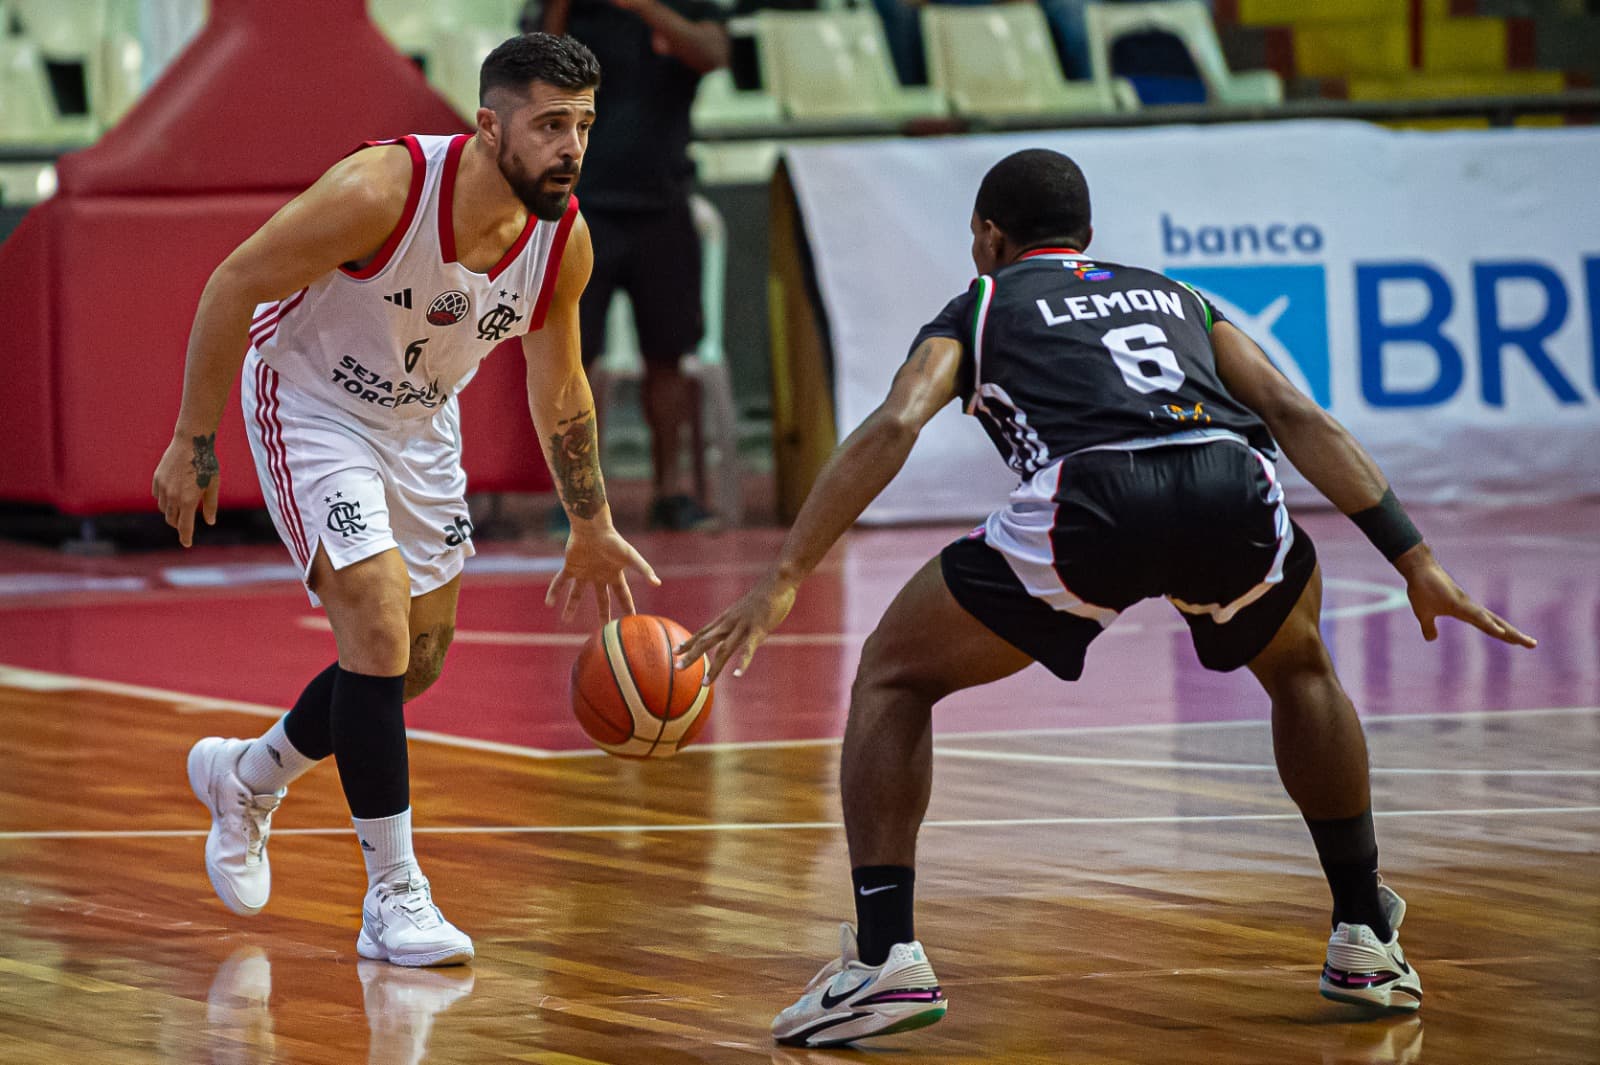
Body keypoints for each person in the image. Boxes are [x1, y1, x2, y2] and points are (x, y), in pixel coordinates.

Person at [679, 149, 1537, 1046]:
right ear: (1087, 233)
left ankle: (884, 958)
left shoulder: (981, 302)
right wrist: (1416, 558)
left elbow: (897, 422)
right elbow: (1294, 412)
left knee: (894, 676)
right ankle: (1364, 930)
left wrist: (782, 580)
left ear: (987, 236)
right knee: (1301, 668)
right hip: (1229, 483)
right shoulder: (1174, 295)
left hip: (1090, 495)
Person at [151, 33, 657, 967]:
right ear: (489, 125)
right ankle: (394, 896)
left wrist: (591, 521)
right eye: (550, 125)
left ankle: (246, 776)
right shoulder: (385, 191)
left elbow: (562, 386)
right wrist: (193, 438)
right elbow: (235, 281)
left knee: (409, 664)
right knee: (377, 626)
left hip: (421, 424)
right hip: (311, 401)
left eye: (583, 126)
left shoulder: (562, 240)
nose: (572, 148)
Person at [536, 0, 730, 531]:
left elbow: (714, 53)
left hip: (663, 203)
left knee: (668, 357)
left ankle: (670, 492)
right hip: (583, 206)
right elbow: (536, 76)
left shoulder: (683, 7)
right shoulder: (571, 12)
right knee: (578, 359)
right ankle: (578, 497)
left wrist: (643, 6)